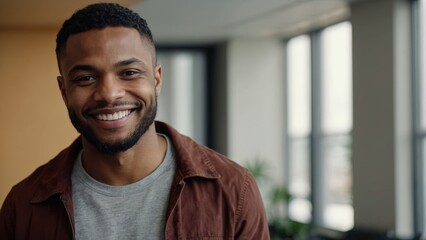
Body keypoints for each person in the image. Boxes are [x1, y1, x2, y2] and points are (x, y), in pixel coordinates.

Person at [0, 3, 269, 240]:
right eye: (85, 78)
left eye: (129, 72)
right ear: (64, 91)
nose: (109, 93)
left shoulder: (233, 191)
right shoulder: (23, 206)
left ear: (156, 80)